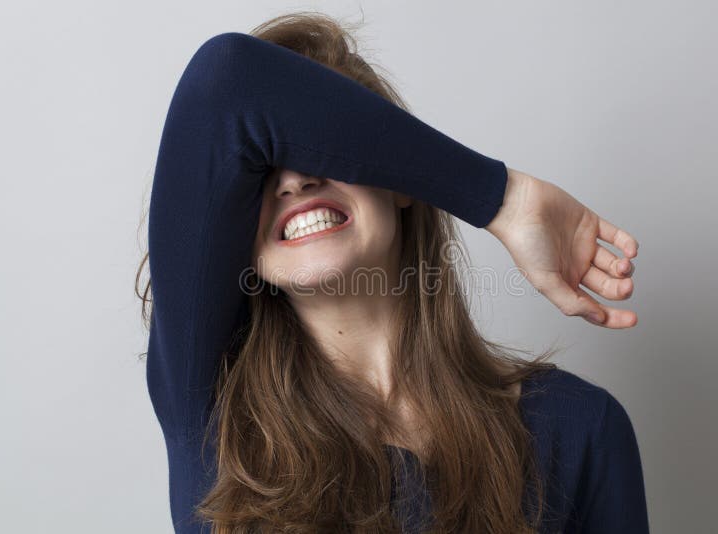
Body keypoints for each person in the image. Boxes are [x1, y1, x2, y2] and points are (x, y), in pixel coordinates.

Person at [136, 11, 647, 534]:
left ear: (403, 180)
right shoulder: (210, 415)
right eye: (260, 169)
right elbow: (226, 83)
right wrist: (506, 200)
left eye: (323, 147)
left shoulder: (579, 429)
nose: (293, 180)